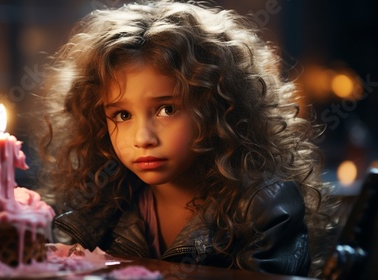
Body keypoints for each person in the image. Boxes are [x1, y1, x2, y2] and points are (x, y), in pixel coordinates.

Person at [36, 0, 337, 277]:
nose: (143, 138)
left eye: (167, 109)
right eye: (123, 115)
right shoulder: (105, 201)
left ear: (216, 108)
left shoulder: (265, 206)